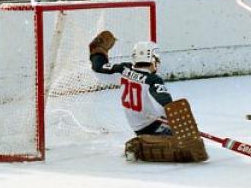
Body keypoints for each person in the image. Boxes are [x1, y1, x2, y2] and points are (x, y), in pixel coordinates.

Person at [88, 31, 208, 163]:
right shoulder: (153, 80)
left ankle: (144, 142)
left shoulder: (123, 69)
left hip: (137, 126)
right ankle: (141, 146)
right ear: (152, 59)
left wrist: (97, 52)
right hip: (153, 126)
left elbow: (98, 68)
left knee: (187, 141)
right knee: (188, 147)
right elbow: (165, 106)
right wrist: (182, 128)